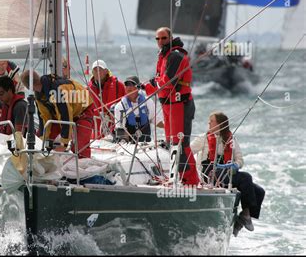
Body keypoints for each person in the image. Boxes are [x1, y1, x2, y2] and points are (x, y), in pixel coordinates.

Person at [191, 111, 265, 236]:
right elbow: (188, 151)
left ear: (220, 124)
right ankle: (245, 214)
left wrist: (235, 165)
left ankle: (242, 219)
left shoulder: (231, 139)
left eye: (212, 121)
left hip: (228, 173)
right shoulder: (203, 139)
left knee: (259, 191)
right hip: (210, 174)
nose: (209, 123)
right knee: (246, 177)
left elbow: (240, 159)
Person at [147, 27, 199, 185]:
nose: (160, 41)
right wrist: (145, 87)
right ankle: (175, 177)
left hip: (179, 105)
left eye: (163, 38)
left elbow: (168, 81)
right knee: (171, 143)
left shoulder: (175, 55)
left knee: (181, 144)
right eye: (158, 39)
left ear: (170, 38)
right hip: (168, 105)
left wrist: (153, 83)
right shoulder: (163, 55)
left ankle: (191, 180)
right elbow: (160, 82)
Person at [21, 70, 95, 158]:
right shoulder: (39, 96)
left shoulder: (57, 90)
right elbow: (44, 118)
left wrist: (64, 143)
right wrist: (41, 140)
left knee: (80, 148)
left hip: (83, 109)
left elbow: (66, 115)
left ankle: (83, 161)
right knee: (45, 142)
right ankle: (44, 157)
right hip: (65, 112)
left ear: (28, 87)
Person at [113, 76, 164, 143]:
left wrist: (169, 127)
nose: (129, 87)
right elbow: (120, 129)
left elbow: (156, 120)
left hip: (147, 144)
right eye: (127, 85)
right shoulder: (120, 106)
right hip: (128, 144)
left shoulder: (148, 102)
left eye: (132, 84)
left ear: (138, 88)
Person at [87, 59, 126, 138]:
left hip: (114, 127)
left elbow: (127, 102)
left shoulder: (118, 85)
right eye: (95, 70)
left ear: (106, 71)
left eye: (100, 70)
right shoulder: (89, 88)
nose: (97, 72)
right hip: (95, 130)